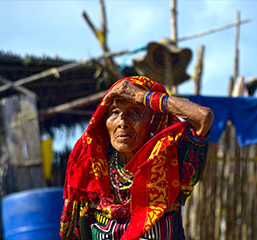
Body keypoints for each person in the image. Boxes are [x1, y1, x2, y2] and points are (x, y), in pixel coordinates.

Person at [61, 76, 214, 240]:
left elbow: (203, 117)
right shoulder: (93, 175)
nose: (122, 122)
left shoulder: (170, 164)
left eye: (135, 112)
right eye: (115, 112)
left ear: (152, 122)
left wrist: (143, 96)